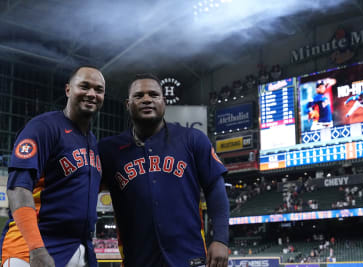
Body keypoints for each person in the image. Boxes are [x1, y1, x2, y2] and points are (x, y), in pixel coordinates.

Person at [98, 74, 229, 267]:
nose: (147, 99)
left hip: (189, 257)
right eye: (139, 95)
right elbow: (83, 188)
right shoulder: (108, 150)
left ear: (164, 102)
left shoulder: (192, 139)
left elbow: (215, 188)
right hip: (137, 259)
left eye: (153, 94)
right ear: (127, 104)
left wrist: (221, 239)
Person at [0, 66, 106, 267]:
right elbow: (17, 189)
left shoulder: (91, 141)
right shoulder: (43, 127)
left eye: (98, 90)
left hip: (77, 246)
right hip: (33, 246)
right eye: (84, 86)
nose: (92, 94)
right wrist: (36, 249)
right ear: (68, 90)